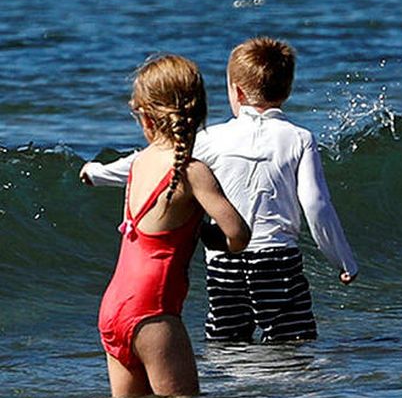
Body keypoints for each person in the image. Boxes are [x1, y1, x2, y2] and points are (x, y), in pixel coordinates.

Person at [83, 38, 358, 343]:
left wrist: (97, 173)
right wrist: (343, 260)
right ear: (288, 90)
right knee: (292, 343)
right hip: (278, 263)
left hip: (224, 263)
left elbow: (152, 161)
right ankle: (281, 391)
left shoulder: (211, 139)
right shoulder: (299, 138)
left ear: (236, 92)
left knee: (226, 344)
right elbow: (316, 205)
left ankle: (234, 391)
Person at [96, 55, 250, 398]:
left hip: (113, 310)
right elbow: (238, 233)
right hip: (153, 313)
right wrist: (210, 238)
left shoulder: (139, 163)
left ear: (146, 116)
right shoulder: (191, 172)